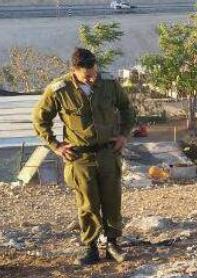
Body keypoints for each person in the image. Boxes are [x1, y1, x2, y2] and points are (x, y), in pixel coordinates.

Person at [32, 48, 135, 266]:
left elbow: (127, 109)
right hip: (80, 157)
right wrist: (55, 145)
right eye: (86, 75)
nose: (91, 77)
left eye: (93, 72)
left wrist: (124, 136)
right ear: (74, 71)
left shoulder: (108, 83)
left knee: (112, 200)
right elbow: (40, 120)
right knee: (87, 204)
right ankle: (90, 247)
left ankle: (113, 245)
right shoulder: (59, 89)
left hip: (108, 152)